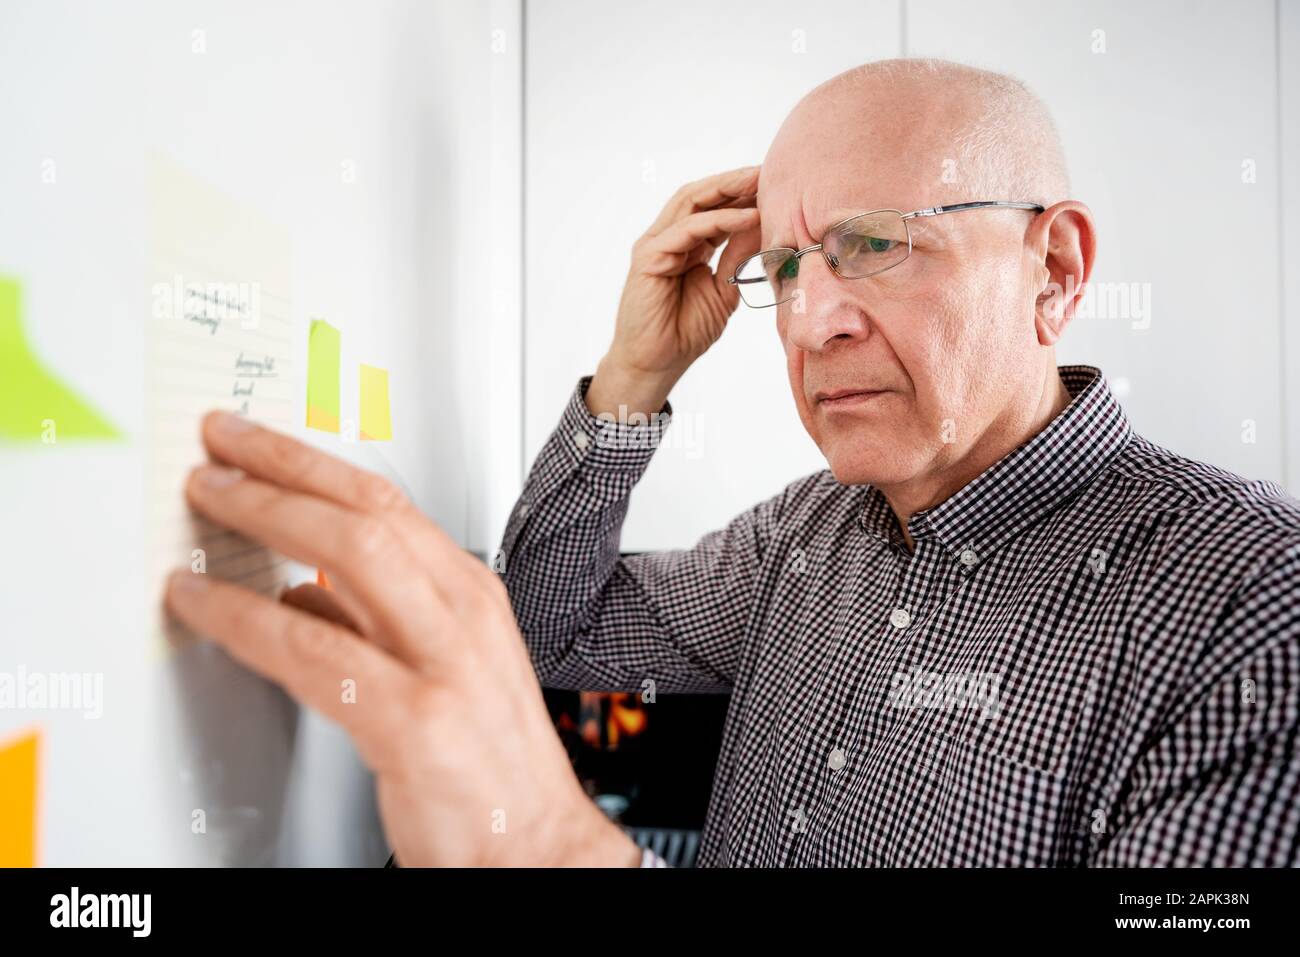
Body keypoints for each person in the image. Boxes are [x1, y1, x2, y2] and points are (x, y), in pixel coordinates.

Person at [166, 58, 1300, 867]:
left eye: (874, 244)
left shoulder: (1251, 608)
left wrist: (562, 853)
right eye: (788, 268)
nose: (812, 324)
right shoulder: (802, 538)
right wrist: (632, 377)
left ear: (1052, 268)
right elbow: (551, 632)